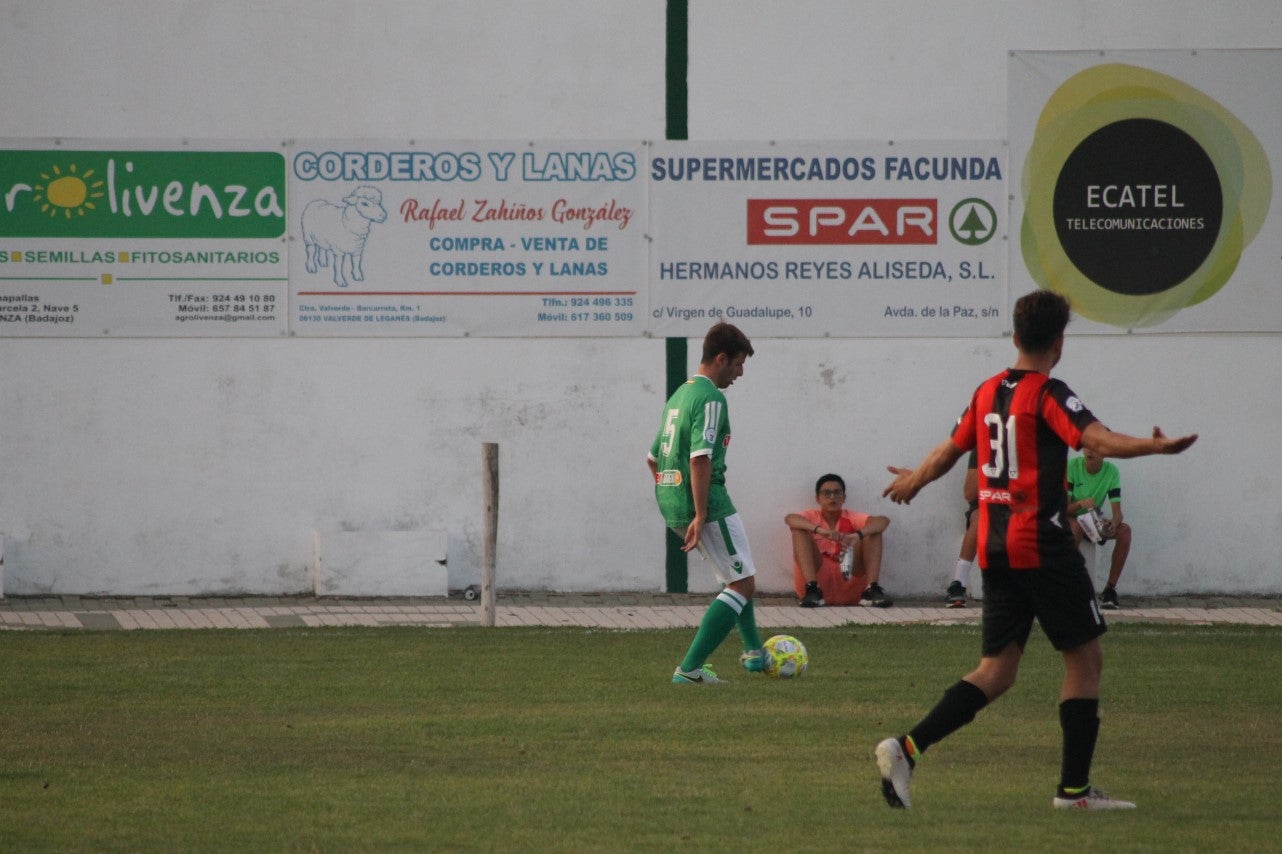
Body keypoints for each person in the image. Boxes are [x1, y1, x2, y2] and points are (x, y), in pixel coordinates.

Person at [875, 290, 1196, 811]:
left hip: (996, 549)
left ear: (1017, 335)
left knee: (996, 671)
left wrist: (914, 478)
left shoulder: (986, 392)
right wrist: (1154, 447)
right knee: (1085, 659)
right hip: (1043, 546)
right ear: (1059, 342)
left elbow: (950, 450)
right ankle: (1074, 792)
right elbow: (1095, 440)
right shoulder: (1048, 393)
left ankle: (906, 750)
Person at [647, 322, 766, 685]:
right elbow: (700, 458)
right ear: (721, 358)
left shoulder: (680, 395)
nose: (741, 373)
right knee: (742, 584)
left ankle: (755, 654)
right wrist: (700, 512)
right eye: (738, 364)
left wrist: (675, 495)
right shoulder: (712, 397)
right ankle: (690, 669)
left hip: (673, 497)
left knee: (737, 576)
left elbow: (653, 458)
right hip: (708, 501)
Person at [785, 474, 892, 607]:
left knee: (872, 531)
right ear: (817, 498)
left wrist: (857, 535)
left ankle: (872, 589)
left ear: (844, 498)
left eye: (837, 493)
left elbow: (882, 522)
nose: (832, 497)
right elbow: (790, 519)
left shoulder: (851, 517)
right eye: (826, 493)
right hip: (818, 580)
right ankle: (812, 588)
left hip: (849, 576)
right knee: (798, 529)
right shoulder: (811, 516)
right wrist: (819, 530)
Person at [1066, 449, 1131, 610]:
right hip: (1071, 518)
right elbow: (1064, 508)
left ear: (1105, 451)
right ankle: (1067, 586)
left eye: (1096, 446)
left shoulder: (1111, 471)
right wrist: (1080, 503)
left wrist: (1113, 523)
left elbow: (1117, 512)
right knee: (1076, 527)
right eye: (1087, 445)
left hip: (1092, 520)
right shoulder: (1072, 467)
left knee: (1125, 531)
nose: (1090, 450)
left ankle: (1110, 590)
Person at [943, 452, 979, 608]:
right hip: (988, 503)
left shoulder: (1032, 440)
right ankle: (959, 583)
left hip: (1022, 504)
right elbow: (970, 494)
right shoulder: (985, 444)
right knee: (981, 518)